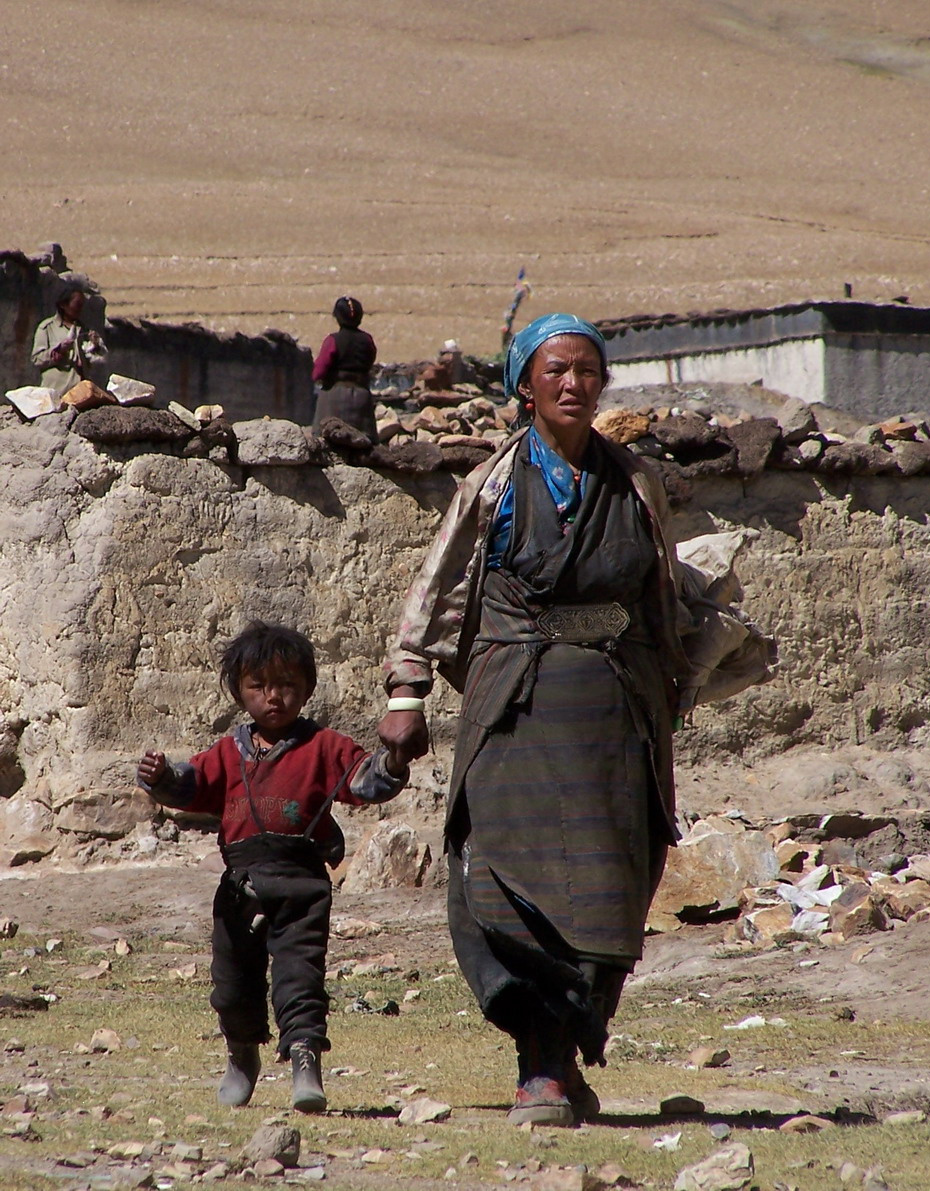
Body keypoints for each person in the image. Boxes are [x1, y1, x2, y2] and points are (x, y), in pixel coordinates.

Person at [378, 312, 702, 1127]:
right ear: (525, 385)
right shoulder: (490, 483)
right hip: (515, 708)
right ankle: (541, 1067)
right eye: (555, 369)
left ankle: (567, 1049)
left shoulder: (635, 483)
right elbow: (438, 587)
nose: (573, 383)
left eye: (588, 370)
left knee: (613, 882)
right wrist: (406, 690)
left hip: (615, 712)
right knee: (501, 878)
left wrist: (679, 682)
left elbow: (662, 594)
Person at [136, 621, 412, 1112]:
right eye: (258, 686)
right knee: (233, 982)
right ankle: (242, 1055)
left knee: (300, 978)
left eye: (286, 685)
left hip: (302, 886)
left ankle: (306, 1063)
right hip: (239, 888)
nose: (274, 697)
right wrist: (162, 777)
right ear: (239, 692)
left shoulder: (326, 747)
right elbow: (190, 785)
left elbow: (367, 780)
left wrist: (393, 759)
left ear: (305, 689)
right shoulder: (228, 751)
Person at [311, 295, 378, 441]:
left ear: (337, 317)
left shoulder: (333, 340)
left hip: (333, 397)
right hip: (361, 397)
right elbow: (370, 360)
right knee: (363, 442)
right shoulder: (367, 340)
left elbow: (319, 372)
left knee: (326, 441)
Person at [31, 284, 108, 398]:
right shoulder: (47, 328)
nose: (80, 308)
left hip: (81, 392)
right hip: (57, 391)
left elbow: (97, 359)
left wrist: (95, 345)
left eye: (82, 305)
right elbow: (37, 359)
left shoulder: (84, 330)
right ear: (63, 305)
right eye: (77, 304)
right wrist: (58, 351)